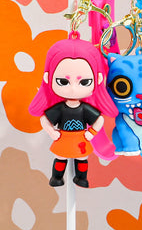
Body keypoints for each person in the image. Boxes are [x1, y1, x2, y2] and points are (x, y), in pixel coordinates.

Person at [29, 36, 118, 188]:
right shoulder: (60, 108)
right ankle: (57, 177)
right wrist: (51, 132)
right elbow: (44, 119)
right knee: (60, 157)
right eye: (63, 81)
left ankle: (81, 178)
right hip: (63, 136)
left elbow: (99, 120)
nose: (73, 89)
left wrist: (92, 133)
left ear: (97, 79)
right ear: (48, 78)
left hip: (80, 137)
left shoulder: (84, 108)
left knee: (82, 158)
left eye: (84, 82)